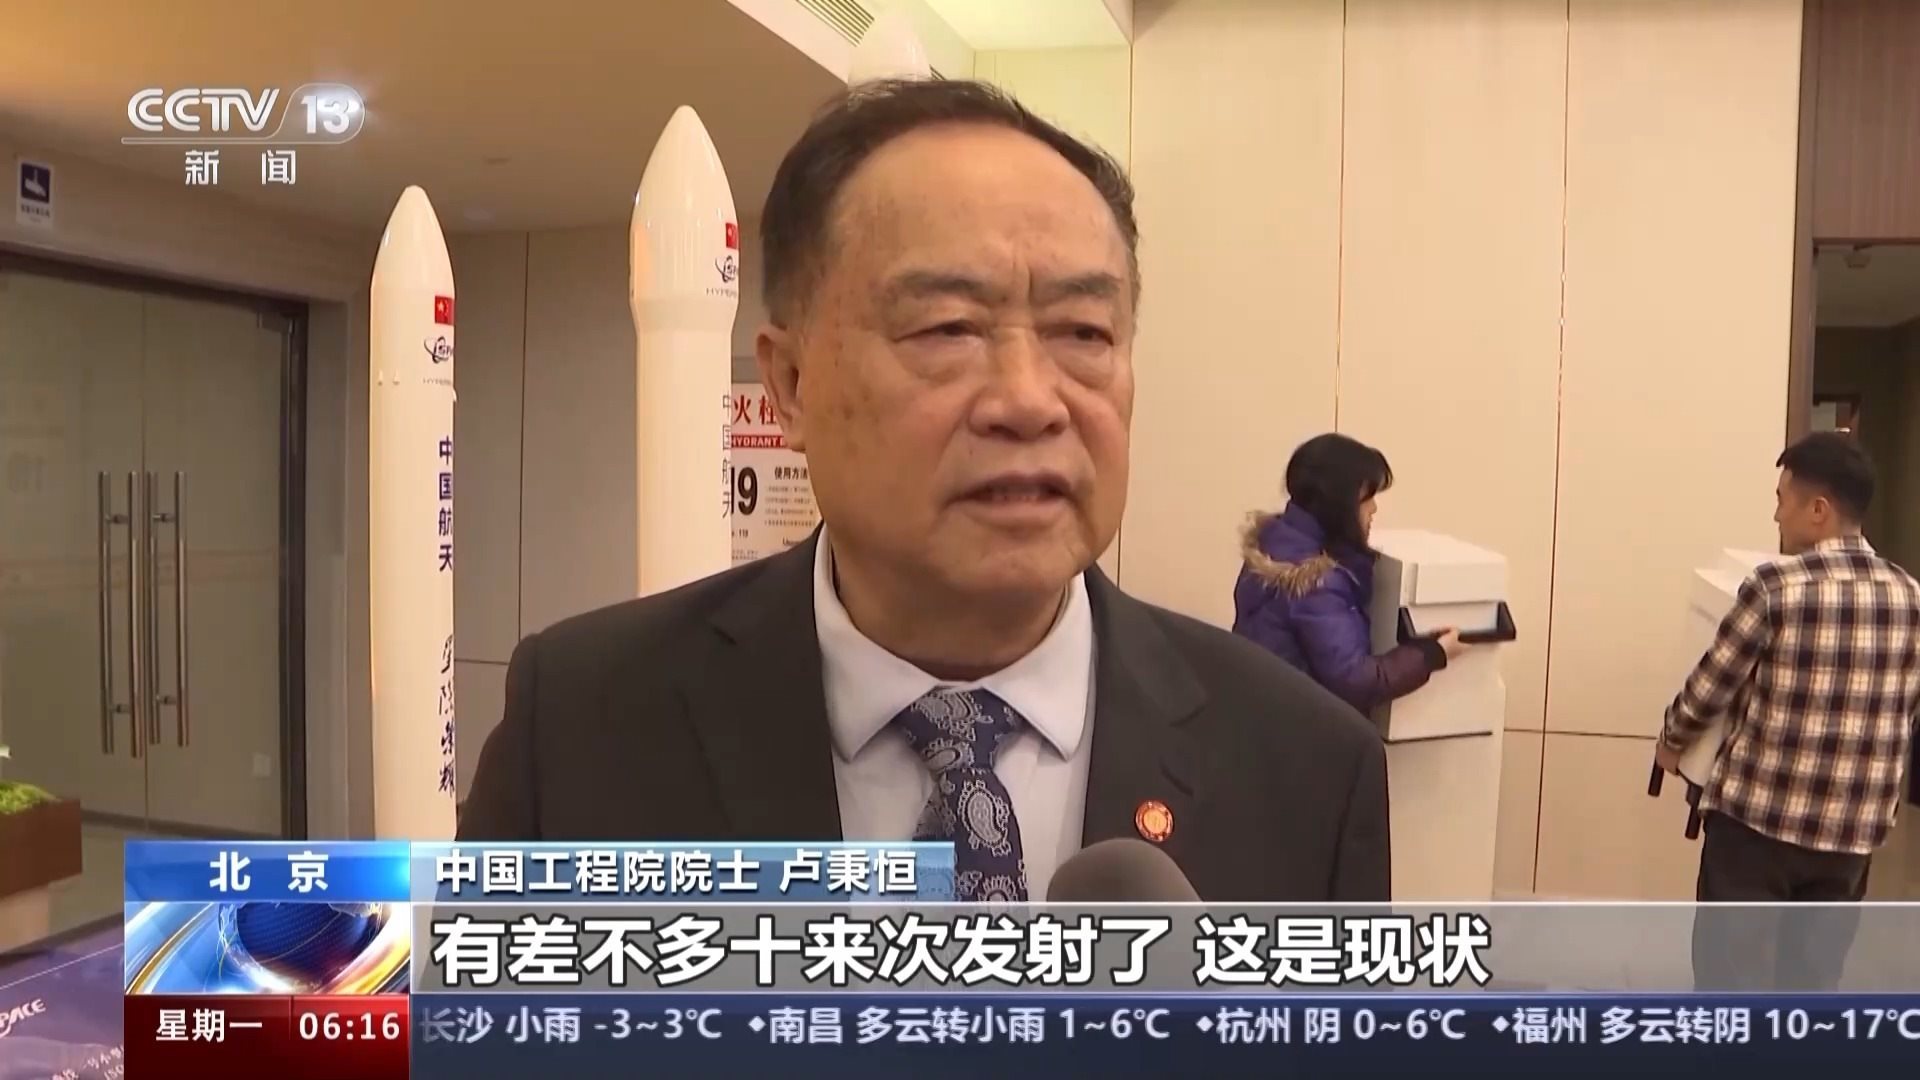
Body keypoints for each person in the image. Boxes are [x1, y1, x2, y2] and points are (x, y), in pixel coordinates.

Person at [459, 78, 1390, 903]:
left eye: (1084, 332)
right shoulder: (581, 725)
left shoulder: (1306, 766)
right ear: (790, 385)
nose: (1029, 401)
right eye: (947, 328)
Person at [1658, 433, 1920, 990]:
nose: (1777, 515)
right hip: (1851, 835)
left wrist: (1671, 741)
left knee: (1730, 985)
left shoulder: (1775, 587)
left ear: (1818, 509)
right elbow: (1908, 706)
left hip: (1758, 825)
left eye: (1783, 499)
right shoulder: (1910, 597)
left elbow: (1711, 687)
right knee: (1811, 987)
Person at [1232, 433, 1468, 714]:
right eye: (1367, 497)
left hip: (1263, 714)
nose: (1373, 509)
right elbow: (1356, 681)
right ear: (1340, 501)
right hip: (1299, 729)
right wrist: (1433, 653)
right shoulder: (1314, 583)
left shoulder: (1276, 547)